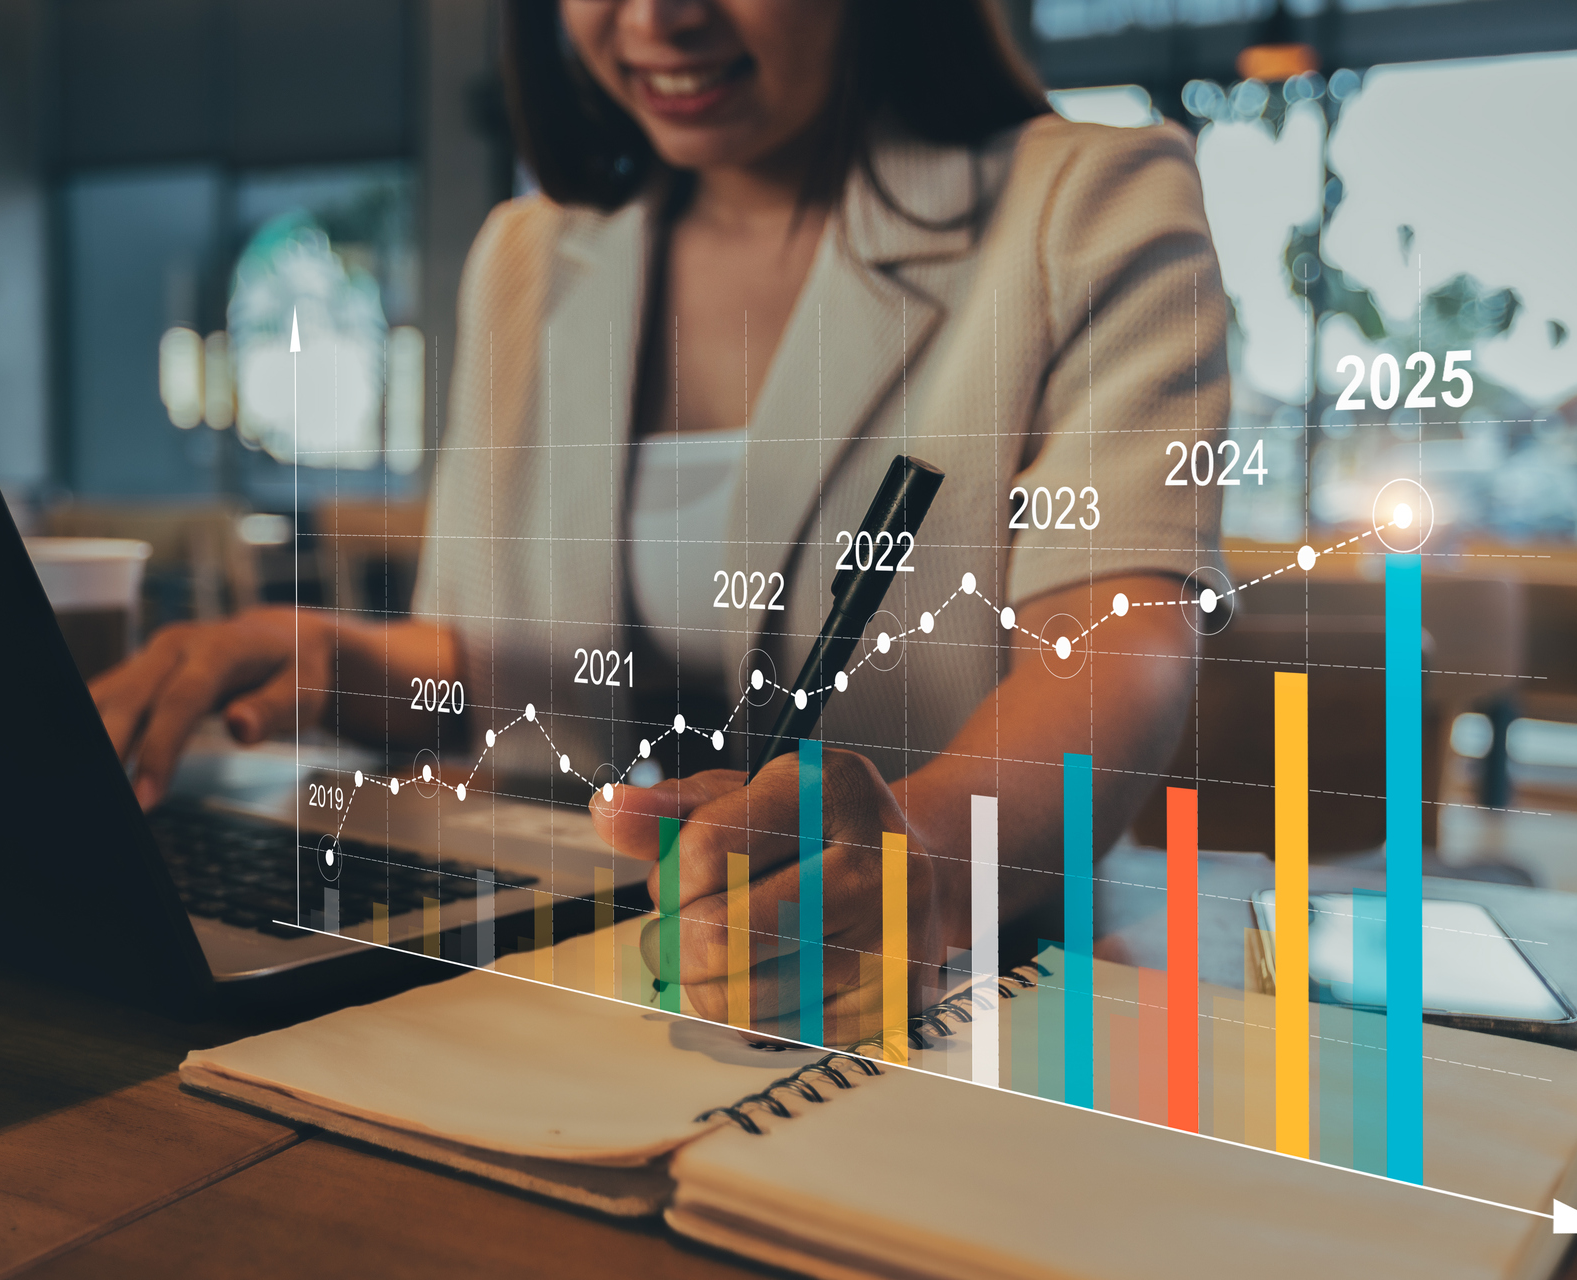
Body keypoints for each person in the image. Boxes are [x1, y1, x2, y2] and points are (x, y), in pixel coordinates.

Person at [91, 0, 1228, 1041]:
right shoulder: (530, 258)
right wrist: (329, 658)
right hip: (570, 982)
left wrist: (913, 857)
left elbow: (1116, 648)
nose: (659, 20)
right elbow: (494, 671)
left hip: (964, 991)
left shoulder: (1084, 204)